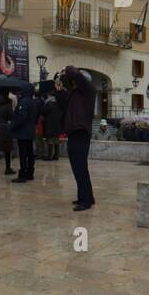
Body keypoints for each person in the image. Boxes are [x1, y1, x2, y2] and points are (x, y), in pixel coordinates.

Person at [61, 67, 98, 211]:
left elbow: (74, 73)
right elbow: (65, 104)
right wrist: (60, 90)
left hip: (80, 132)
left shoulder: (88, 91)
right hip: (73, 132)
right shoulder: (75, 94)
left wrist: (66, 69)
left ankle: (86, 201)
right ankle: (86, 196)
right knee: (78, 167)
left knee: (80, 166)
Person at [9, 85, 41, 182]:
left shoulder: (24, 101)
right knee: (30, 153)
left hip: (23, 132)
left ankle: (22, 175)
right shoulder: (32, 101)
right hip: (30, 131)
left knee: (23, 154)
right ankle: (30, 173)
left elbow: (21, 117)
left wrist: (12, 126)